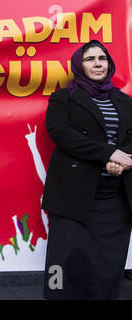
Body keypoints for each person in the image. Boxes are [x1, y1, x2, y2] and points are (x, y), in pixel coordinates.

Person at [42, 39, 132, 299]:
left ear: (109, 63)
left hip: (115, 199)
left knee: (107, 267)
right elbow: (61, 133)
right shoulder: (63, 98)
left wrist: (125, 158)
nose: (97, 63)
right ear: (78, 65)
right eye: (90, 59)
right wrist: (109, 154)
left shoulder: (124, 100)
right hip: (73, 196)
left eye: (102, 58)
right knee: (62, 262)